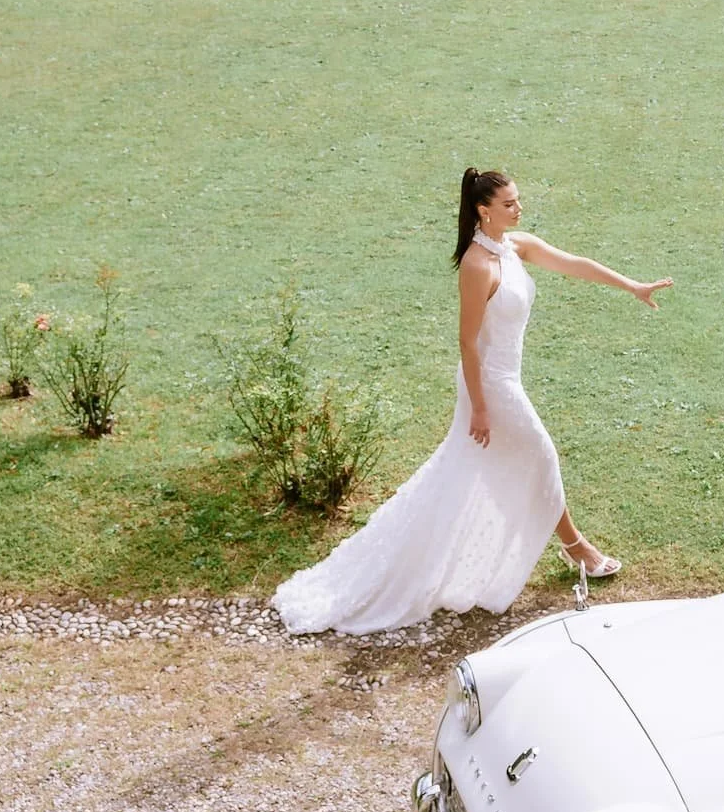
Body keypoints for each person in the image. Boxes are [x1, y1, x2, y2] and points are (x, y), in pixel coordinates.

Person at [274, 168, 670, 636]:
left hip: (506, 378)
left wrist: (632, 285)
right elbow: (467, 344)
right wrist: (480, 408)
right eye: (509, 204)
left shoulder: (516, 247)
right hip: (490, 382)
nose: (518, 209)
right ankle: (576, 547)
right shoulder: (477, 265)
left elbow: (573, 262)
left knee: (477, 469)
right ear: (484, 210)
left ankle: (558, 546)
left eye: (517, 201)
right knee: (541, 454)